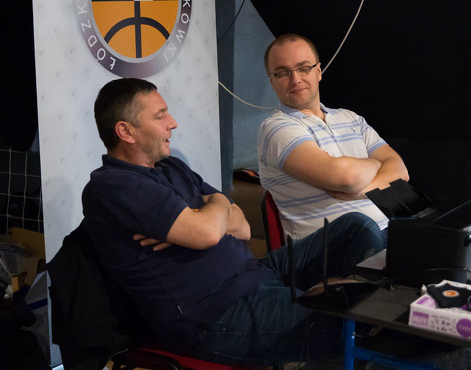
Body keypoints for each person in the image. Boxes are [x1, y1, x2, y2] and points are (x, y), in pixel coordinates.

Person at [81, 78, 385, 367]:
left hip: (256, 274)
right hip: (216, 315)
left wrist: (209, 211)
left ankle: (365, 296)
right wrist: (209, 215)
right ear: (125, 131)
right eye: (160, 116)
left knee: (356, 227)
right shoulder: (113, 186)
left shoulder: (171, 167)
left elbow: (242, 227)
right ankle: (368, 319)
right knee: (365, 321)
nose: (172, 123)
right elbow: (209, 232)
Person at [258, 33, 409, 241]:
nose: (296, 79)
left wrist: (362, 191)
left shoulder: (351, 118)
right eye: (283, 73)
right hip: (337, 249)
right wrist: (377, 164)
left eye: (304, 68)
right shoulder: (275, 129)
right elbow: (347, 178)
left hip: (394, 231)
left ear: (318, 71)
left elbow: (401, 172)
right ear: (272, 81)